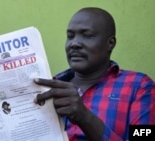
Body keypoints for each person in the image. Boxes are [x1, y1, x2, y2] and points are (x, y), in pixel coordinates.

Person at [33, 7, 155, 141]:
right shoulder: (48, 89)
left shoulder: (140, 87)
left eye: (87, 35)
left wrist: (84, 117)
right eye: (70, 36)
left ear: (110, 43)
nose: (74, 44)